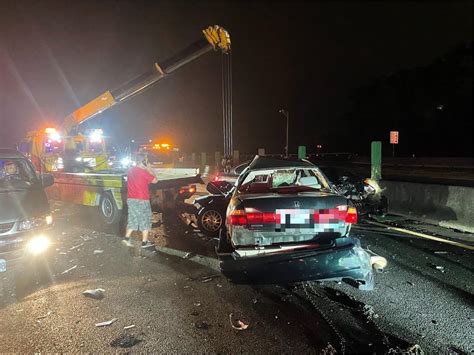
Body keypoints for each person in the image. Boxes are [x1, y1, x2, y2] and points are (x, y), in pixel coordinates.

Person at [122, 153, 158, 248]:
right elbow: (155, 180)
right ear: (143, 161)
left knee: (132, 219)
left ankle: (126, 238)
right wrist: (149, 168)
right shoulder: (143, 172)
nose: (147, 162)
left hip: (131, 199)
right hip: (142, 200)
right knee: (145, 220)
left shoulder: (130, 170)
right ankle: (144, 242)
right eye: (146, 161)